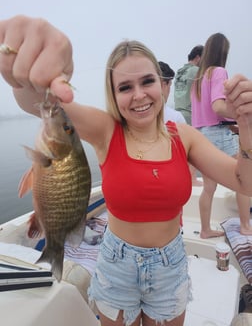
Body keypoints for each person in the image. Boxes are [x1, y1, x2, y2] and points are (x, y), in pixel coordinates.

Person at [1, 16, 252, 326]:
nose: (138, 95)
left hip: (170, 264)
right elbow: (39, 103)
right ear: (113, 95)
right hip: (116, 265)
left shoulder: (185, 136)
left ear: (161, 84)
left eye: (147, 81)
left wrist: (247, 127)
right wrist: (23, 63)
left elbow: (244, 180)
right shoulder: (106, 130)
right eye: (125, 87)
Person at [191, 32, 252, 239]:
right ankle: (245, 226)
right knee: (244, 181)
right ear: (223, 52)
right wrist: (242, 114)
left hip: (201, 135)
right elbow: (217, 106)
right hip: (218, 134)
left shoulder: (197, 79)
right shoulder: (218, 72)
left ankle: (205, 230)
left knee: (209, 187)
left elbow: (202, 113)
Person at [174, 46, 204, 186]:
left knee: (181, 149)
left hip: (178, 113)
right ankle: (191, 179)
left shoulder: (180, 72)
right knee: (192, 148)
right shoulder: (196, 71)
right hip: (190, 113)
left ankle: (183, 177)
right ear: (198, 57)